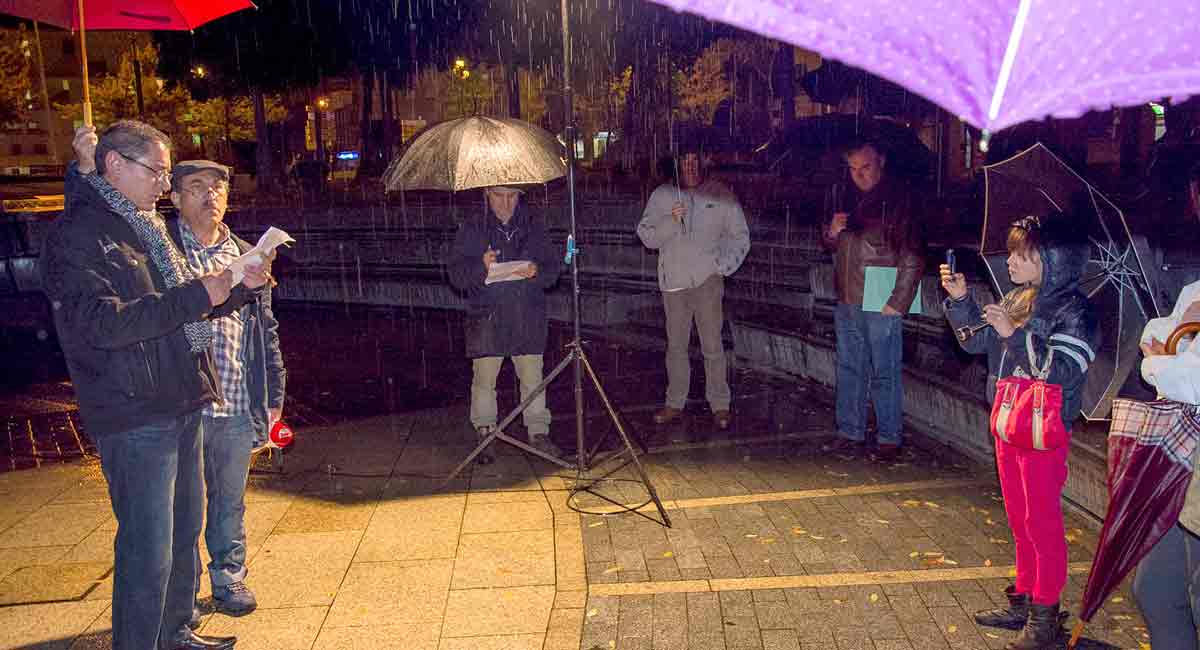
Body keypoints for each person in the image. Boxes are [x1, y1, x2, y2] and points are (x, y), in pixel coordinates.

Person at [40, 123, 269, 650]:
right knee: (149, 549)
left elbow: (175, 306)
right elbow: (102, 325)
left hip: (181, 394)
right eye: (158, 172)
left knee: (184, 533)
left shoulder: (144, 225)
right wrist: (198, 297)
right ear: (115, 165)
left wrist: (233, 290)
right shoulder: (79, 235)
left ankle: (174, 633)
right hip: (134, 409)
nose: (165, 186)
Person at [941, 215, 1098, 650]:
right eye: (1011, 251)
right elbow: (975, 344)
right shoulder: (1017, 297)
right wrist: (961, 302)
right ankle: (1025, 601)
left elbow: (1065, 371)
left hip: (1044, 429)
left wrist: (1015, 334)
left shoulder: (1077, 310)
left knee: (1041, 522)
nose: (1010, 260)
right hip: (1010, 422)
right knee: (1017, 517)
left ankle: (1045, 620)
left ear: (1052, 260)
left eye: (1021, 253)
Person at [167, 160, 286, 619]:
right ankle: (183, 589)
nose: (210, 195)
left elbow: (266, 330)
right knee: (182, 503)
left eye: (217, 188)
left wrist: (274, 393)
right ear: (175, 197)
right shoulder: (164, 251)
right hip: (182, 399)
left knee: (230, 498)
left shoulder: (245, 255)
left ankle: (229, 576)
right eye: (196, 187)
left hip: (236, 398)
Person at [1131, 160, 1200, 650]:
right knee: (1155, 589)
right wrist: (1167, 341)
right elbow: (1162, 329)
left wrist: (1160, 365)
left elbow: (1189, 377)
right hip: (1189, 466)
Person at [636, 141, 750, 430]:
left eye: (693, 160)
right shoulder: (662, 195)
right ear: (675, 163)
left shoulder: (721, 194)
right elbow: (647, 236)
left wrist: (721, 266)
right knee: (676, 347)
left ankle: (720, 404)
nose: (689, 166)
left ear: (703, 160)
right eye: (683, 160)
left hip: (707, 281)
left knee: (712, 346)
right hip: (673, 283)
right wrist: (671, 222)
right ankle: (675, 402)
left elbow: (740, 236)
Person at [824, 139, 924, 459]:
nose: (859, 175)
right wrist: (831, 233)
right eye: (853, 168)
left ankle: (889, 436)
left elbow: (913, 253)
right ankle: (850, 430)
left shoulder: (898, 200)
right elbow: (832, 246)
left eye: (865, 167)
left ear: (880, 161)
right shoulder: (845, 196)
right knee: (850, 367)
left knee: (884, 370)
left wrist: (898, 300)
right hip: (848, 295)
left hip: (881, 292)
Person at [447, 185, 562, 463]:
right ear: (487, 194)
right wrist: (481, 266)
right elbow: (456, 276)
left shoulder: (534, 226)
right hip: (488, 316)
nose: (506, 203)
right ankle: (485, 431)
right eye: (499, 195)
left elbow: (553, 269)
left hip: (526, 314)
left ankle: (538, 432)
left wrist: (537, 271)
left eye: (512, 196)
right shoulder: (472, 228)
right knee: (485, 379)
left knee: (533, 377)